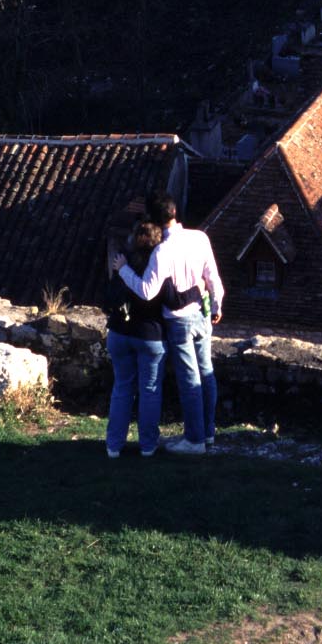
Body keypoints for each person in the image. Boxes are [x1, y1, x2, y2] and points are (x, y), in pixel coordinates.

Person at [111, 192, 223, 456]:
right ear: (175, 212)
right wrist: (217, 304)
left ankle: (194, 440)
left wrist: (124, 269)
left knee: (190, 380)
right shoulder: (200, 238)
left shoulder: (162, 251)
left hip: (178, 320)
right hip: (202, 314)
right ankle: (208, 433)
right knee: (206, 373)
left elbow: (147, 291)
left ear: (155, 219)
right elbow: (213, 276)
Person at [104, 220, 167, 459]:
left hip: (120, 332)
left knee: (122, 388)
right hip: (149, 334)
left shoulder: (122, 261)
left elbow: (108, 298)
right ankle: (148, 445)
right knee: (149, 390)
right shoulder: (159, 265)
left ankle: (114, 445)